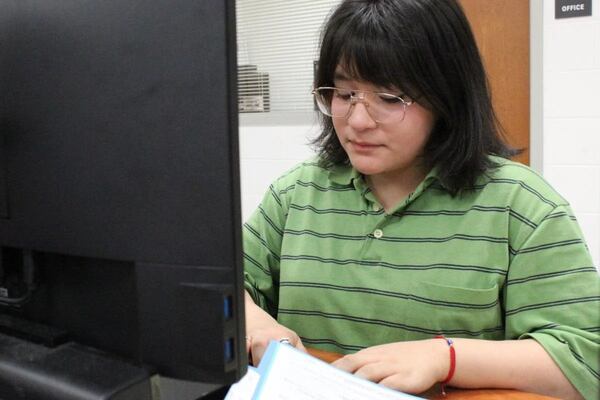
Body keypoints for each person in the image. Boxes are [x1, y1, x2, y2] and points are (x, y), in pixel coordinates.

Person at [242, 0, 600, 399]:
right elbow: (223, 282)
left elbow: (583, 362)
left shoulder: (523, 206)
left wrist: (445, 357)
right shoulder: (298, 194)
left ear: (447, 96)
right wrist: (256, 325)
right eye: (344, 93)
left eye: (391, 98)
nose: (358, 121)